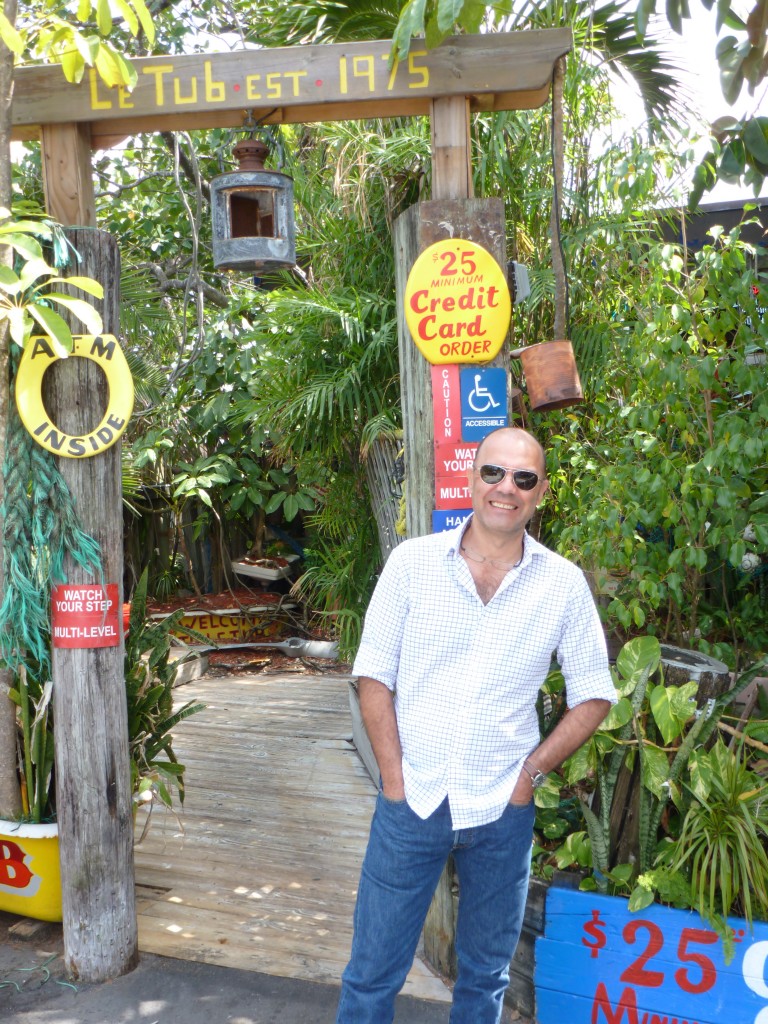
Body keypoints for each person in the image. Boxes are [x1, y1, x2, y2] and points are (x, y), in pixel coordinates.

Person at [335, 426, 617, 1024]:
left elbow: (595, 694)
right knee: (371, 974)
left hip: (502, 811)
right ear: (471, 477)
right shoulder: (412, 564)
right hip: (412, 799)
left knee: (486, 978)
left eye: (523, 478)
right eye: (494, 472)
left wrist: (530, 776)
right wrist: (393, 778)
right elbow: (373, 677)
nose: (505, 488)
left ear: (540, 493)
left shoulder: (562, 584)